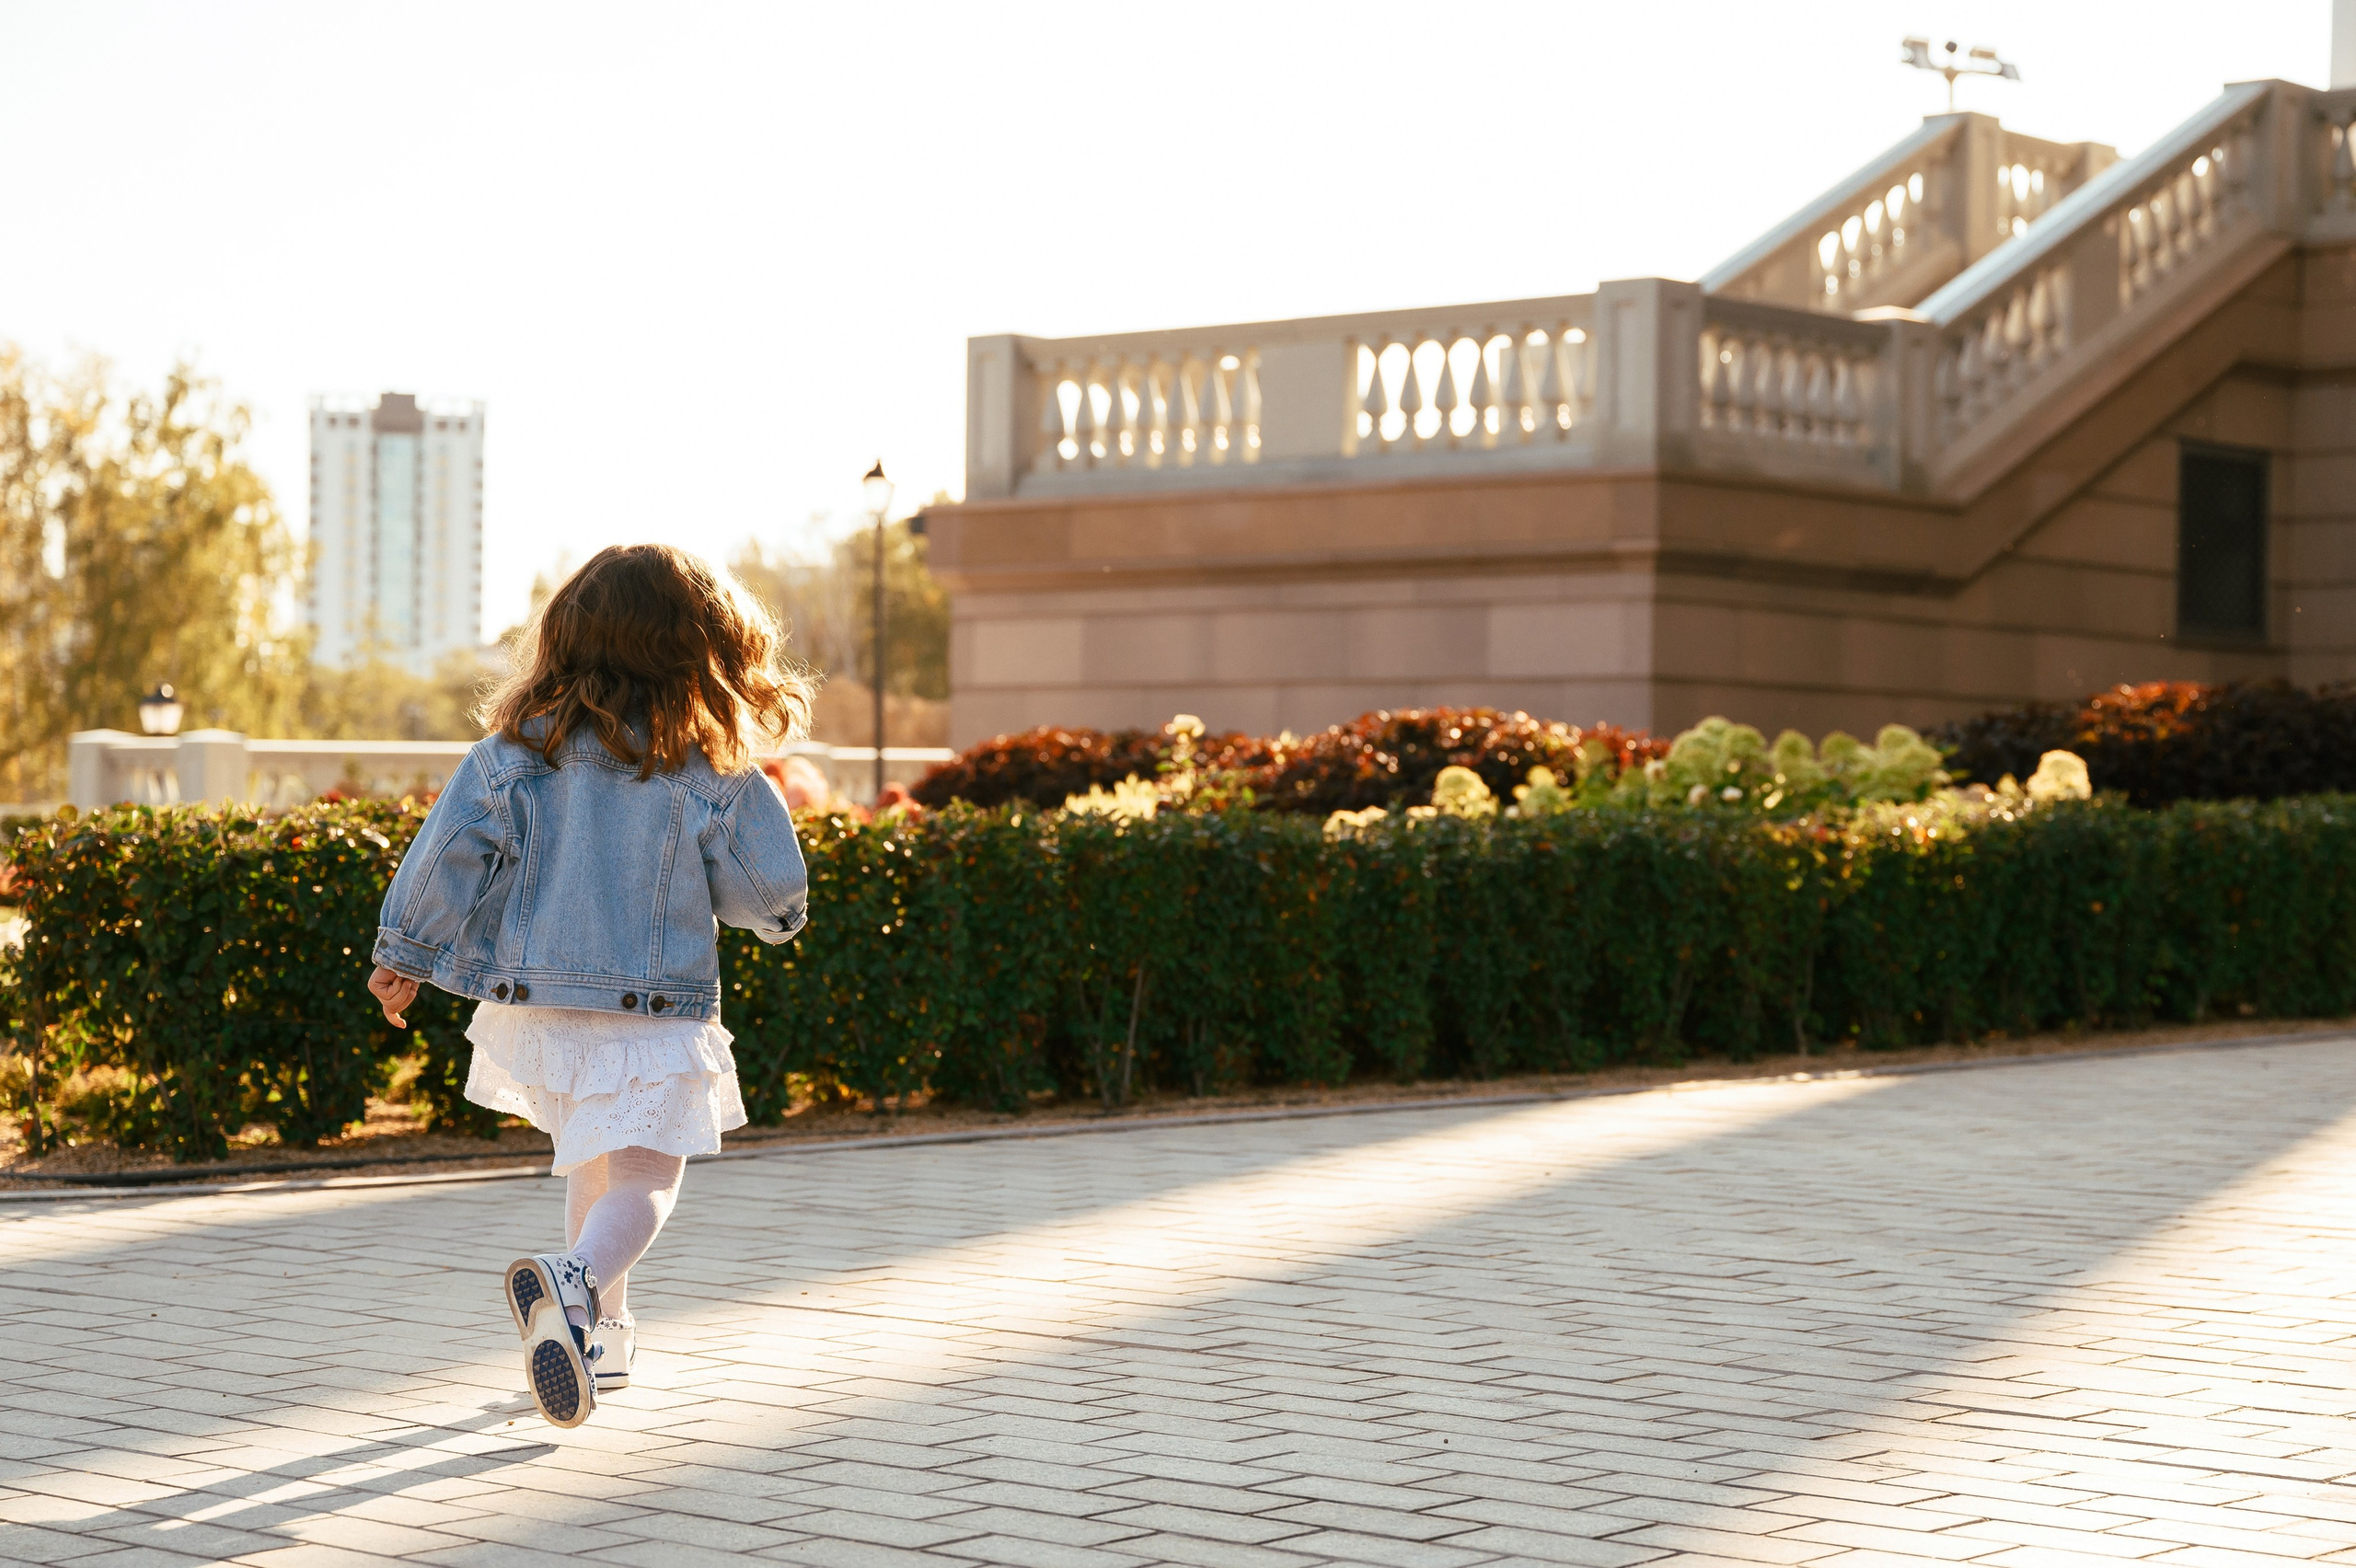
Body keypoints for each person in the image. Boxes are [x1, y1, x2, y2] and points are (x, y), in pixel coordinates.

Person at [365, 544, 811, 1428]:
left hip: (543, 1008)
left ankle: (599, 1336)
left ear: (564, 642)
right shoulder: (706, 768)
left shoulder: (511, 754)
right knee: (647, 1179)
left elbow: (444, 851)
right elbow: (772, 891)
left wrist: (404, 951)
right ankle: (572, 1285)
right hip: (652, 1008)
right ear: (699, 650)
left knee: (591, 1161)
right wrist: (774, 920)